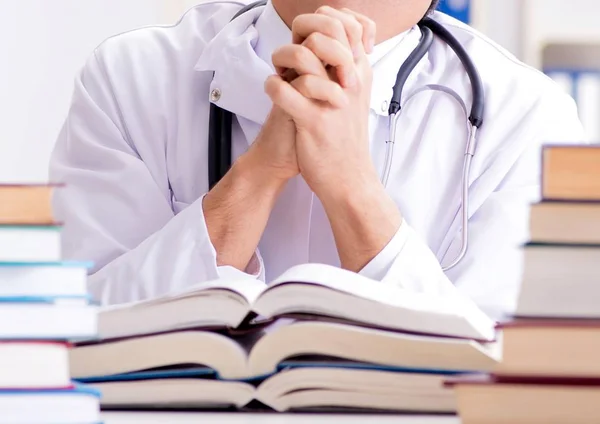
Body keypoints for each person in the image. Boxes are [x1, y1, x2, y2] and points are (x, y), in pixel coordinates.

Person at [50, 0, 585, 319]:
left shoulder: (529, 117)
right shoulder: (130, 77)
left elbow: (507, 378)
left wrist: (352, 186)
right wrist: (258, 175)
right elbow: (77, 332)